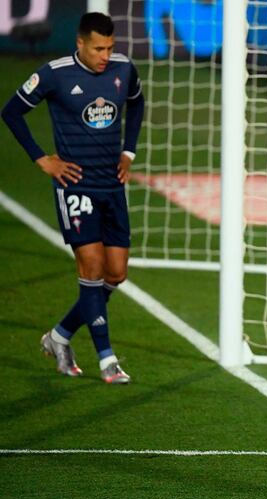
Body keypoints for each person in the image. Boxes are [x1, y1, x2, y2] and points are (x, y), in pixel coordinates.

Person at [1, 12, 144, 384]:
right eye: (98, 48)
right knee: (92, 269)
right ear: (80, 43)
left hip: (112, 186)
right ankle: (107, 360)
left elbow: (137, 102)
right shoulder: (54, 73)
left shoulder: (123, 68)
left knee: (116, 274)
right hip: (76, 187)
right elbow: (12, 112)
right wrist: (41, 158)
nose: (105, 55)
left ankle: (59, 336)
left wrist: (129, 152)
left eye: (110, 47)